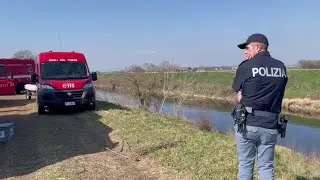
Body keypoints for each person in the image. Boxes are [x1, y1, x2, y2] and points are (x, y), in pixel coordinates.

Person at [232, 33, 288, 180]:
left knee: (245, 164)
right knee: (266, 166)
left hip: (248, 123)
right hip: (271, 125)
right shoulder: (281, 67)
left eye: (247, 48)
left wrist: (242, 97)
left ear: (257, 47)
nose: (245, 51)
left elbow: (238, 93)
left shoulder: (246, 66)